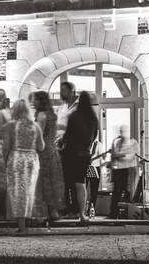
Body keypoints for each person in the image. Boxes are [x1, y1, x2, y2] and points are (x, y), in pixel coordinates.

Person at [3, 99, 44, 233]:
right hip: (32, 160)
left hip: (16, 159)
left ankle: (21, 226)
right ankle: (28, 223)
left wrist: (4, 161)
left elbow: (6, 147)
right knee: (29, 191)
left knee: (18, 192)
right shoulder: (35, 126)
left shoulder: (11, 125)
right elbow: (41, 146)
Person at [62, 91, 99, 225]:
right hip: (84, 155)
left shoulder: (74, 116)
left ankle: (71, 210)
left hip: (71, 154)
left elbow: (67, 135)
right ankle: (82, 214)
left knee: (68, 185)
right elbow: (95, 136)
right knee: (81, 184)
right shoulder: (93, 119)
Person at [31, 90, 63, 222]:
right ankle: (53, 210)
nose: (33, 102)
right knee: (53, 180)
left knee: (44, 180)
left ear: (40, 101)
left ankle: (46, 211)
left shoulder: (42, 115)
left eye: (35, 100)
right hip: (52, 150)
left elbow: (37, 135)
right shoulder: (52, 115)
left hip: (43, 151)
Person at [55, 81, 78, 217]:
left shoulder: (78, 107)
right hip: (59, 147)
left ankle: (74, 208)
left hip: (72, 147)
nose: (61, 93)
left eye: (64, 91)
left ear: (71, 91)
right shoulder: (62, 107)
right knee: (62, 180)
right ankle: (65, 207)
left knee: (73, 181)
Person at [108, 124, 140, 218]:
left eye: (124, 131)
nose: (122, 133)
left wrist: (118, 155)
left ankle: (127, 213)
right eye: (121, 131)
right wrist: (120, 155)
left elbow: (129, 157)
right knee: (116, 193)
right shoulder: (117, 142)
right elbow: (114, 155)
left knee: (127, 192)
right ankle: (114, 213)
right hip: (118, 170)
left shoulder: (133, 142)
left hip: (128, 170)